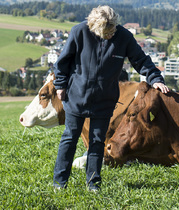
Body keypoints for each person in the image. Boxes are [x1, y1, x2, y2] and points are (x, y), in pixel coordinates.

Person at [53, 5, 169, 191]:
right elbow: (62, 62)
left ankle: (93, 184)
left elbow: (141, 60)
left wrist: (155, 79)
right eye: (105, 33)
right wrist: (60, 85)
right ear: (93, 27)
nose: (109, 35)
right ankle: (59, 183)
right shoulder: (79, 32)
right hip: (76, 97)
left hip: (104, 99)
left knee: (97, 142)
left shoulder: (123, 37)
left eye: (112, 31)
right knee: (69, 139)